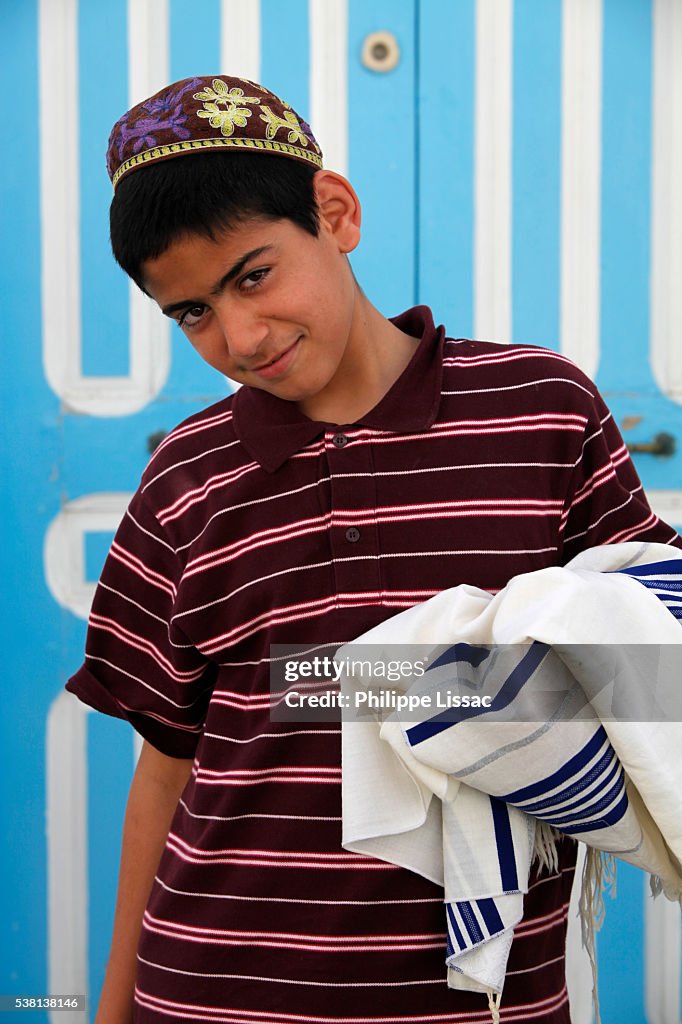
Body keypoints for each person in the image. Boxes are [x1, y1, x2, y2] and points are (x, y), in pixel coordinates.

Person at [66, 75, 682, 1024]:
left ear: (335, 213)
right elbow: (166, 765)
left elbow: (657, 658)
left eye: (253, 275)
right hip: (215, 992)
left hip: (479, 1001)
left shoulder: (542, 412)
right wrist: (111, 1012)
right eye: (190, 313)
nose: (238, 335)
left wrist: (366, 680)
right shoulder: (186, 480)